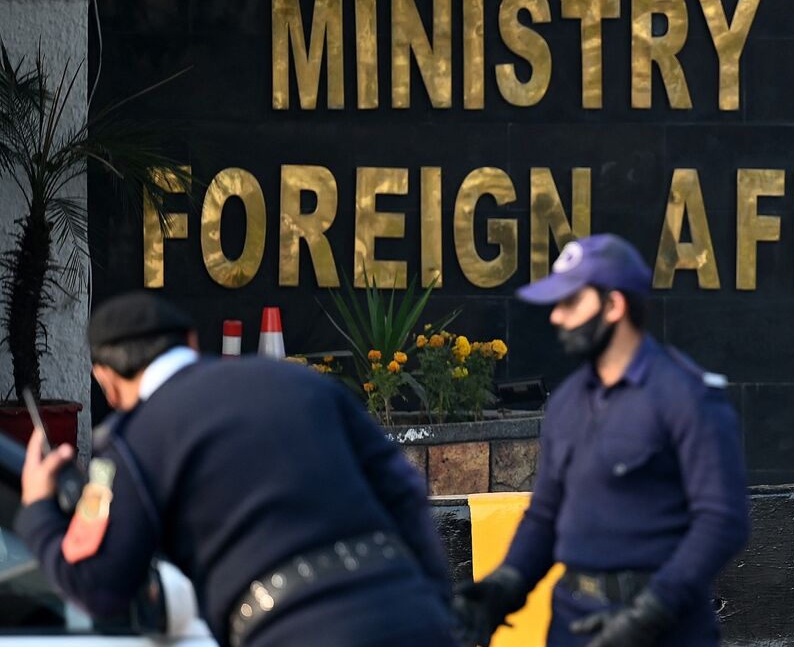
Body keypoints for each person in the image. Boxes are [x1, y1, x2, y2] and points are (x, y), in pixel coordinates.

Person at [17, 291, 458, 647]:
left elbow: (101, 586)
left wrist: (37, 509)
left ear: (105, 379)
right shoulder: (301, 382)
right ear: (191, 341)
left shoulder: (128, 445)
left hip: (286, 630)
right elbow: (403, 490)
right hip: (412, 612)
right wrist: (439, 602)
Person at [452, 234, 750, 647]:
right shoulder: (568, 401)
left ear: (614, 305)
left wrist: (649, 615)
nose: (557, 317)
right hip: (571, 622)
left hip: (665, 628)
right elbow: (546, 515)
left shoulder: (687, 396)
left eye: (571, 302)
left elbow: (723, 520)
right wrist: (507, 583)